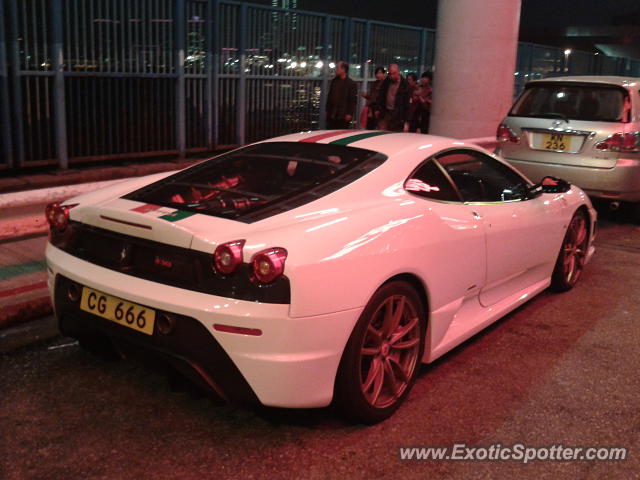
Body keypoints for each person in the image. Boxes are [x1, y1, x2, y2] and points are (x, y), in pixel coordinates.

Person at [375, 63, 410, 132]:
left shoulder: (404, 84)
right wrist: (377, 108)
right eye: (390, 74)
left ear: (398, 72)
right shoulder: (387, 81)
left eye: (394, 73)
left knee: (394, 135)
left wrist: (406, 121)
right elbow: (381, 96)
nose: (392, 76)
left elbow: (407, 104)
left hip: (397, 115)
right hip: (385, 112)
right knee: (382, 133)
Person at [325, 61, 358, 129]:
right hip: (332, 113)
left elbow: (352, 100)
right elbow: (330, 96)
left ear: (343, 69)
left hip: (343, 114)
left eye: (337, 68)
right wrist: (327, 110)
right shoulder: (334, 81)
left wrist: (349, 113)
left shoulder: (351, 83)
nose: (336, 70)